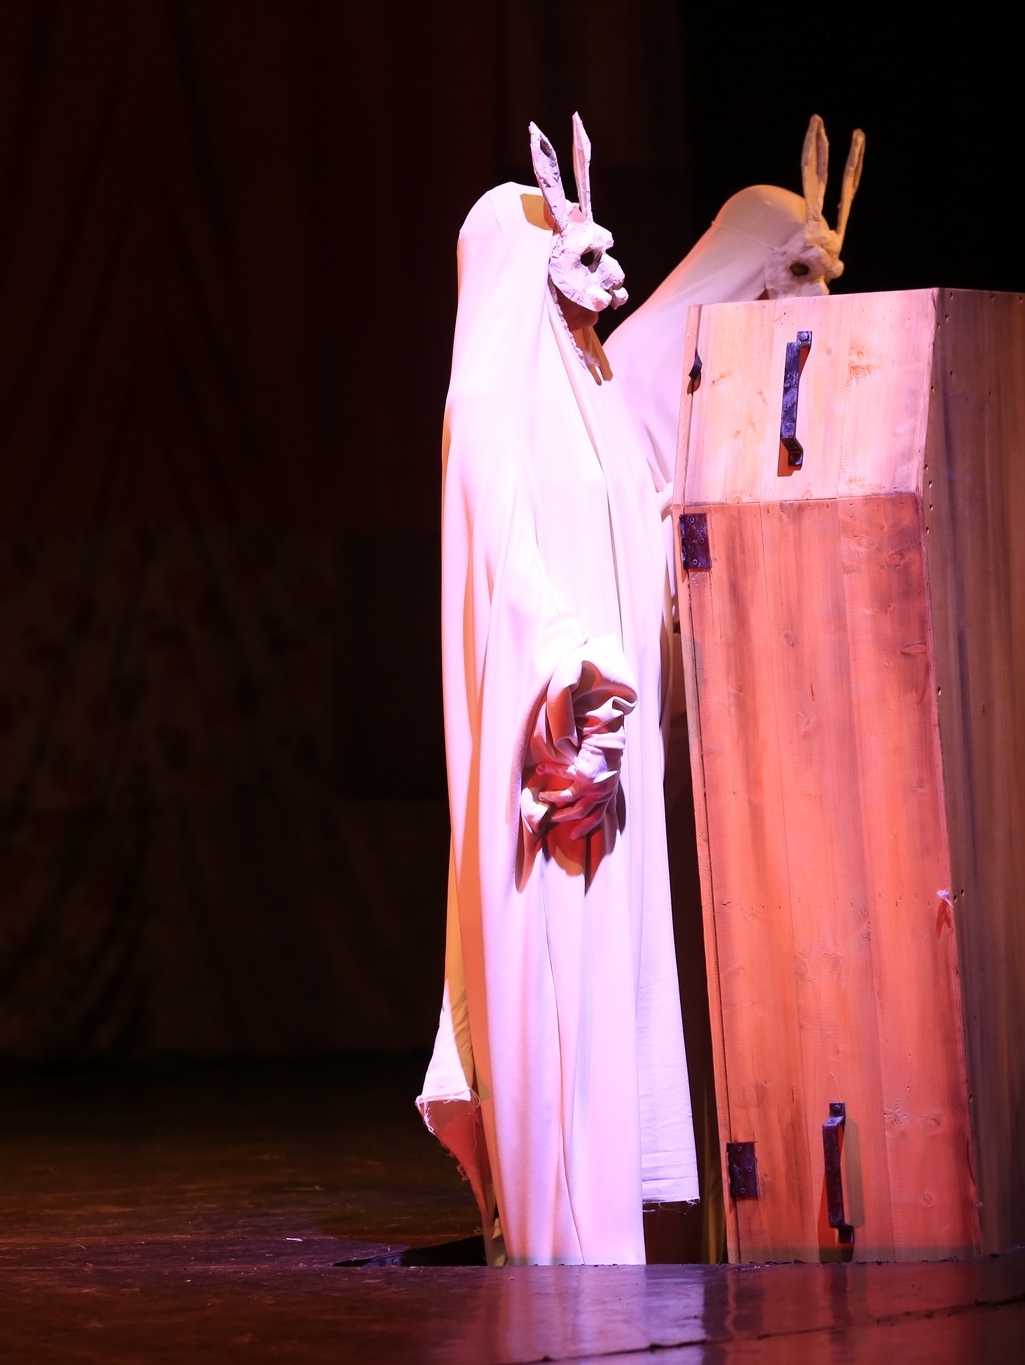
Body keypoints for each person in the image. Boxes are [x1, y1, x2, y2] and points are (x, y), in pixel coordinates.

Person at [415, 116, 695, 1267]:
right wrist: (568, 652)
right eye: (578, 256)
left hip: (610, 738)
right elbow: (505, 552)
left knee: (608, 973)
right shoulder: (492, 401)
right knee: (556, 969)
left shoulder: (591, 398)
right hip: (555, 733)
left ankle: (605, 1227)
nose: (610, 275)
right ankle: (560, 1238)